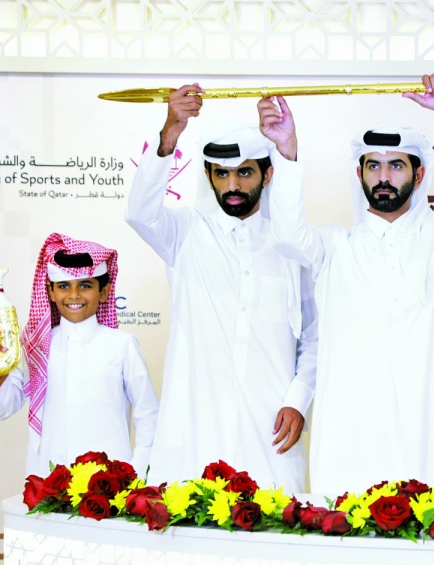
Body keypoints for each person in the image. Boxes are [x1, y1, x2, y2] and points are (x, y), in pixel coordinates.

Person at [259, 73, 434, 495]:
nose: (384, 176)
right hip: (354, 433)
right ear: (360, 174)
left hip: (427, 428)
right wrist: (287, 151)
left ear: (419, 176)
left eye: (396, 165)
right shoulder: (334, 247)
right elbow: (288, 233)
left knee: (433, 519)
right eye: (374, 166)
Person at [126, 85, 317, 490]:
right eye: (221, 173)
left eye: (244, 172)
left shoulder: (291, 246)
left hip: (271, 428)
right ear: (208, 176)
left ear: (267, 175)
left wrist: (298, 399)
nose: (232, 185)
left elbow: (314, 335)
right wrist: (171, 131)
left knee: (274, 519)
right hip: (196, 426)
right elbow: (140, 213)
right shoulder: (185, 234)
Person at [0, 234, 158, 476]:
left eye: (85, 285)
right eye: (64, 286)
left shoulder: (122, 345)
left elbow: (148, 413)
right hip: (49, 481)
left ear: (104, 292)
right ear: (51, 292)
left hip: (109, 483)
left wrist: (136, 472)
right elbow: (1, 409)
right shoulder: (36, 348)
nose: (74, 295)